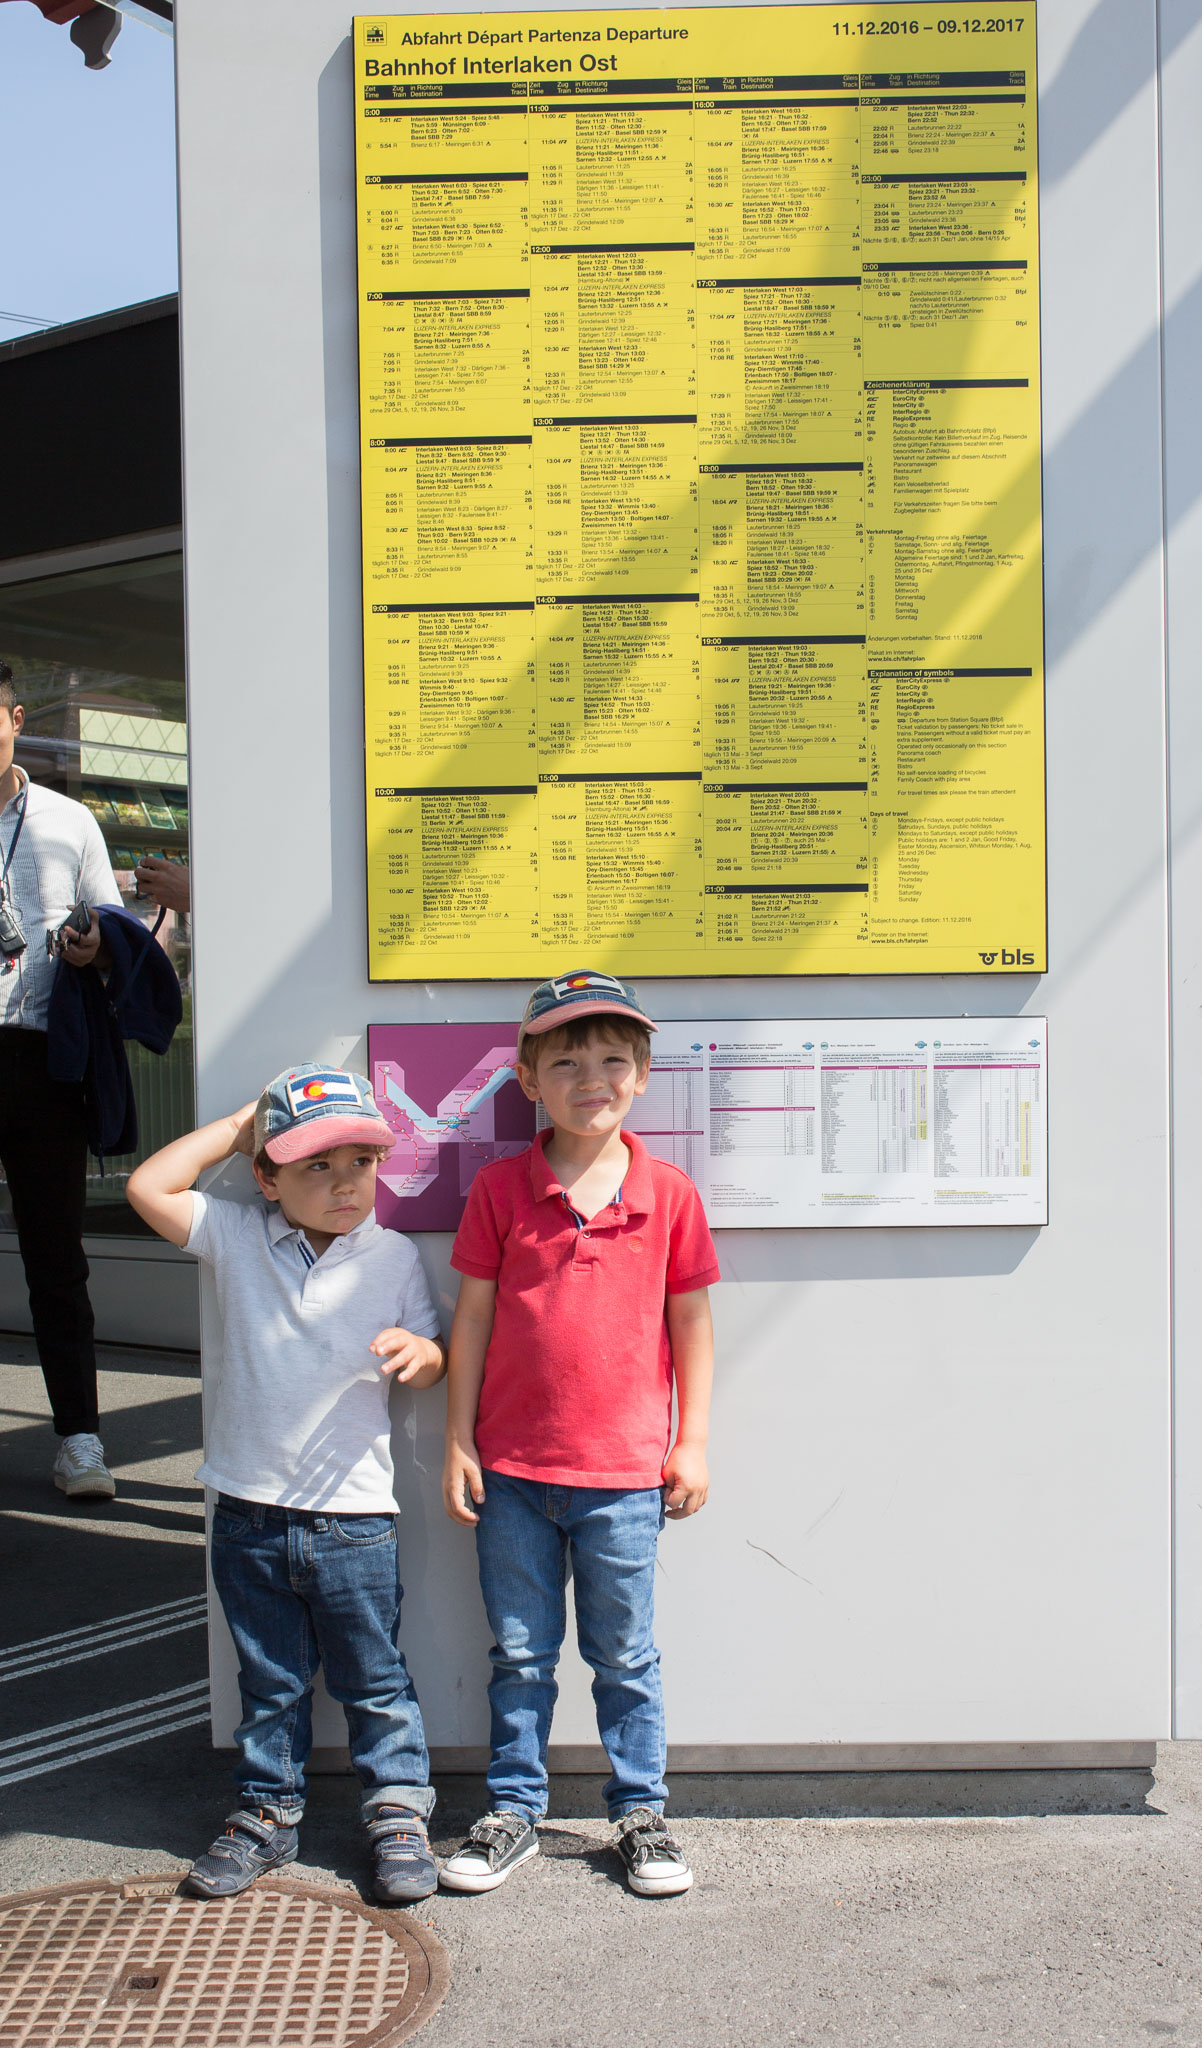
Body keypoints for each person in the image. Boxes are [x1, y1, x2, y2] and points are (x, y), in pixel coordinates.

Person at [126, 1063, 447, 1904]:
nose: (345, 1184)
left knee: (374, 1680)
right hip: (248, 1512)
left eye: (361, 1163)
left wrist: (421, 1355)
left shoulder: (394, 1257)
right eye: (317, 1165)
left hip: (354, 1519)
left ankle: (397, 1812)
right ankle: (266, 1812)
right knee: (268, 1682)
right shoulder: (237, 1236)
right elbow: (147, 1187)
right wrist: (239, 1130)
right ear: (267, 1178)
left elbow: (433, 1355)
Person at [440, 969, 719, 1898]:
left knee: (624, 1657)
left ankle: (640, 1813)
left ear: (642, 1074)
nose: (590, 1078)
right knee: (520, 1655)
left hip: (626, 1479)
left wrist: (692, 1441)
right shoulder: (498, 1190)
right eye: (565, 1062)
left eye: (611, 1059)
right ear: (528, 1079)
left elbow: (692, 1326)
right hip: (512, 1475)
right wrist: (458, 1441)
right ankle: (513, 1809)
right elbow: (471, 1321)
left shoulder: (668, 1194)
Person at [0, 662, 124, 1500]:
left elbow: (112, 926)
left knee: (56, 1259)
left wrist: (94, 946)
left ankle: (80, 1439)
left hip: (42, 1060)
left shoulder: (68, 820)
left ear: (15, 720)